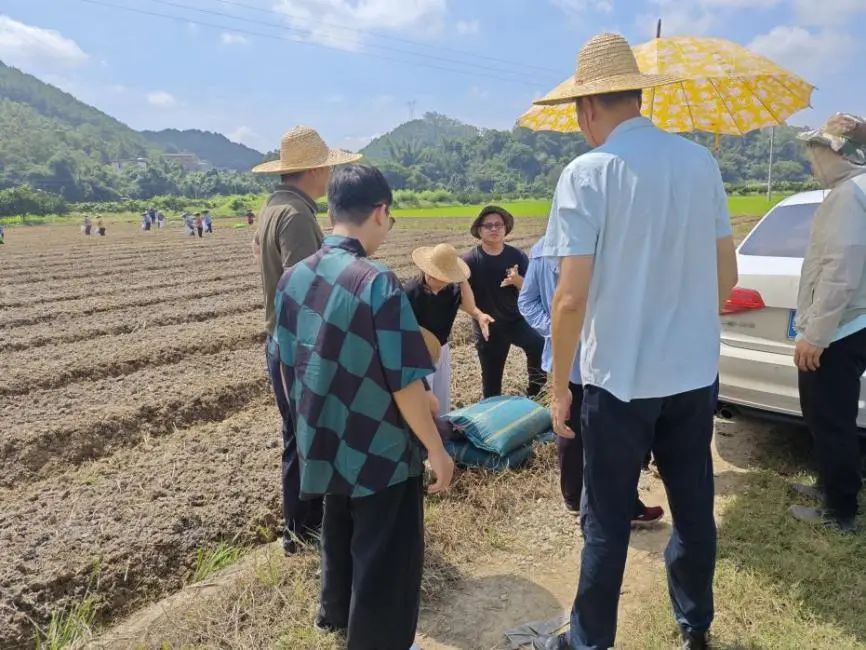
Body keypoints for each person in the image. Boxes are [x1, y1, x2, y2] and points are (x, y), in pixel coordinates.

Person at [536, 33, 738, 650]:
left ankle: (589, 641)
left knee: (605, 520)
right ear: (637, 97)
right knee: (694, 505)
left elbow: (570, 298)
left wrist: (558, 386)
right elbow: (727, 276)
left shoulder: (587, 173)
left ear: (586, 108)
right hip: (693, 374)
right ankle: (695, 625)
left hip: (619, 380)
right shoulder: (700, 163)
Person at [273, 164, 454, 649]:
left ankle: (334, 615)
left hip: (322, 434)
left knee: (338, 524)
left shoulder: (293, 277)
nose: (387, 229)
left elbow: (287, 364)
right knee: (386, 556)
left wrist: (305, 426)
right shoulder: (375, 281)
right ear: (380, 212)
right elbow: (405, 381)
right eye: (389, 220)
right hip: (378, 446)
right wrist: (436, 448)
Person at [251, 125, 362, 554]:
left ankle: (302, 526)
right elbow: (305, 286)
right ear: (314, 170)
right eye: (327, 169)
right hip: (298, 344)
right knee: (306, 435)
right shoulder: (296, 215)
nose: (330, 177)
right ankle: (303, 530)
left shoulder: (274, 206)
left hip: (281, 339)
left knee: (297, 434)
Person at [519, 238, 664, 526]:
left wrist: (557, 330)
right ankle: (597, 502)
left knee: (579, 429)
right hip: (598, 360)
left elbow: (527, 302)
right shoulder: (602, 245)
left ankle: (583, 500)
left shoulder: (547, 248)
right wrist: (557, 329)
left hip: (587, 359)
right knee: (590, 432)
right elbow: (528, 301)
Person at [789, 119, 866, 533]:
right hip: (852, 322)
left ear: (839, 153)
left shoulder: (849, 196)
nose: (812, 160)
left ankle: (840, 510)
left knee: (828, 417)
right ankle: (832, 486)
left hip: (840, 329)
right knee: (832, 416)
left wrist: (816, 335)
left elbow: (840, 270)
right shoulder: (856, 190)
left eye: (818, 151)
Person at [462, 206, 545, 399]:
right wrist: (477, 315)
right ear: (479, 230)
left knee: (538, 344)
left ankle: (536, 393)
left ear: (505, 228)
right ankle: (492, 407)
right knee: (491, 383)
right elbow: (461, 298)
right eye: (488, 225)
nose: (494, 229)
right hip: (487, 325)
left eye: (498, 225)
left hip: (515, 320)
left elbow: (531, 290)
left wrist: (517, 281)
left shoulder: (517, 256)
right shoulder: (469, 261)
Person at [404, 243, 494, 414]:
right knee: (424, 399)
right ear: (428, 271)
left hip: (442, 348)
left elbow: (470, 306)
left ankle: (442, 426)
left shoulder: (452, 289)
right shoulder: (411, 291)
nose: (443, 282)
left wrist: (479, 314)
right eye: (439, 277)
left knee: (441, 395)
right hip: (418, 350)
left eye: (447, 277)